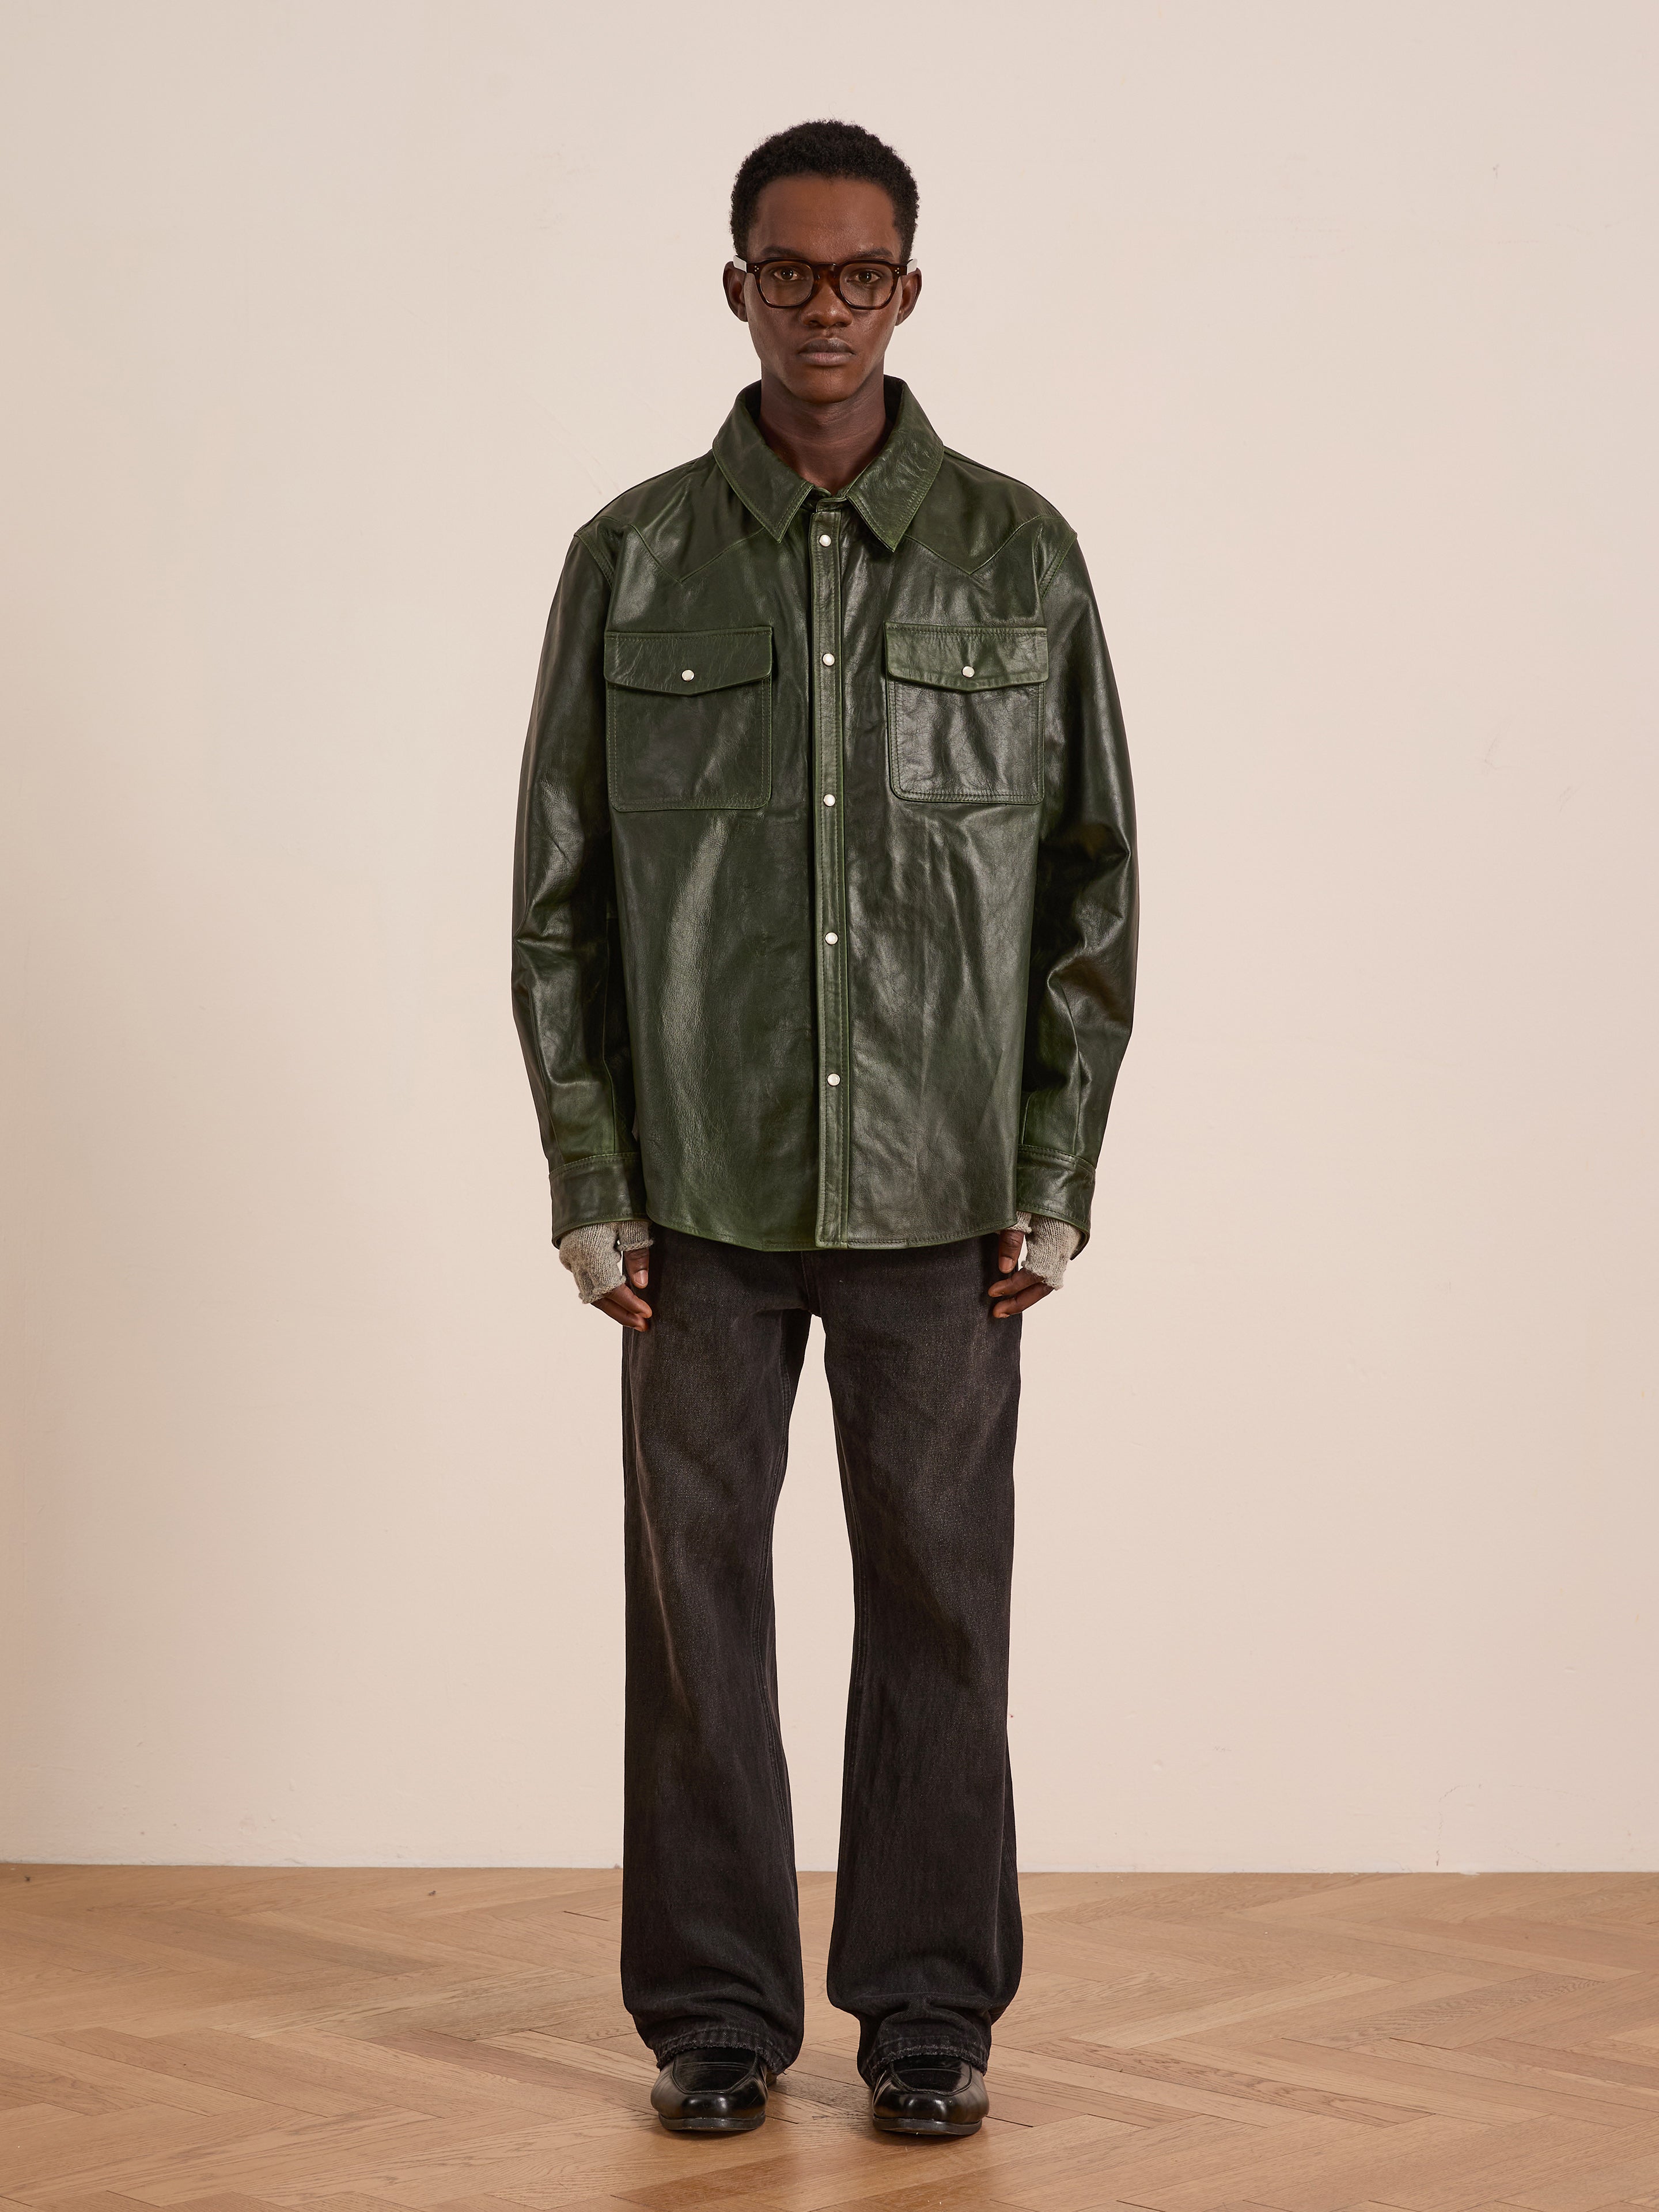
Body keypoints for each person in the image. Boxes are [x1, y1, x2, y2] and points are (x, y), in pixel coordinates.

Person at [512, 119, 1137, 2141]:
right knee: (701, 1622)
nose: (826, 310)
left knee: (942, 1608)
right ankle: (712, 2014)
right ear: (735, 289)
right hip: (693, 1202)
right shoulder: (630, 557)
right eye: (789, 274)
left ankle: (932, 2013)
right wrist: (594, 1185)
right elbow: (560, 900)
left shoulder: (1022, 556)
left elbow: (1091, 892)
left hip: (950, 1208)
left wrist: (1053, 1179)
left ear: (911, 291)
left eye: (862, 275)